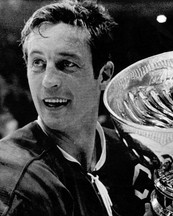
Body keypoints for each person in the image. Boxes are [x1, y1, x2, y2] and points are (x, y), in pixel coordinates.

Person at [0, 0, 157, 215]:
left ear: (104, 75)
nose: (48, 81)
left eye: (66, 64)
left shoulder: (132, 153)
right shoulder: (16, 182)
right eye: (38, 63)